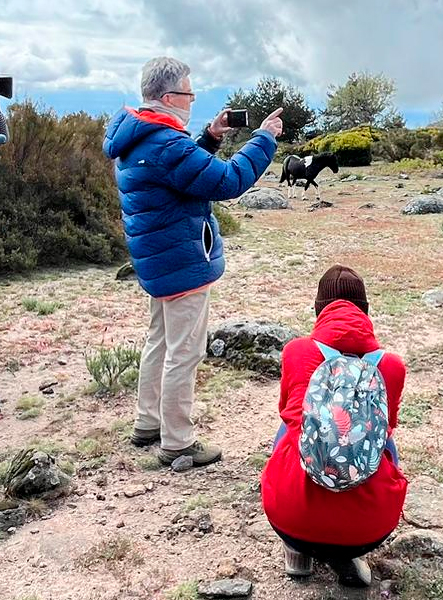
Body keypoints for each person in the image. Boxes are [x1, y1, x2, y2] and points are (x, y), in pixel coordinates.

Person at [103, 56, 284, 466]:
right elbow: (227, 181)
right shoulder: (167, 142)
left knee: (159, 343)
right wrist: (264, 139)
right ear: (169, 97)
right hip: (182, 259)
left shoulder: (140, 137)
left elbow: (182, 173)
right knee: (184, 353)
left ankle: (147, 423)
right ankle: (178, 442)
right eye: (189, 92)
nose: (192, 98)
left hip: (158, 260)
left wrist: (211, 136)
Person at [260, 265, 408, 587]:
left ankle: (297, 552)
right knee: (385, 439)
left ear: (318, 310)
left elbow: (287, 412)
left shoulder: (297, 353)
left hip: (291, 519)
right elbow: (387, 429)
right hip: (369, 530)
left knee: (290, 427)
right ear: (366, 312)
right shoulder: (391, 366)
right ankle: (350, 547)